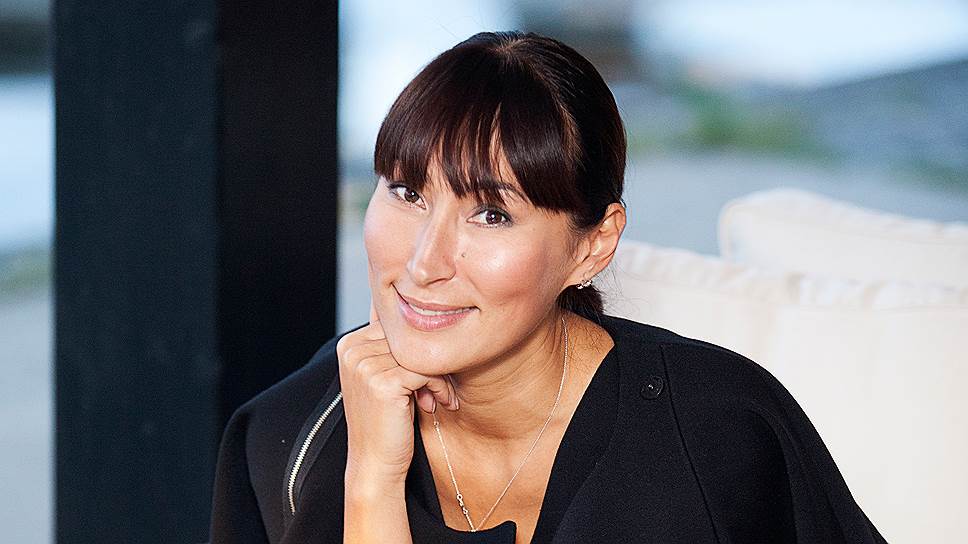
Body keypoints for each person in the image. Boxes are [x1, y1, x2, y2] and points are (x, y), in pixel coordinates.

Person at [209, 31, 887, 544]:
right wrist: (371, 484)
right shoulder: (287, 440)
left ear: (592, 246)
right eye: (408, 192)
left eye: (491, 214)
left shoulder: (717, 436)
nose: (423, 263)